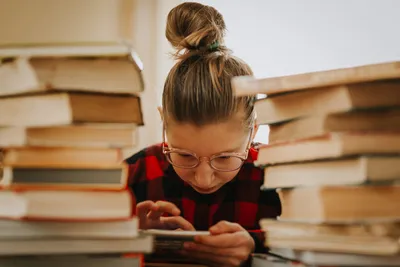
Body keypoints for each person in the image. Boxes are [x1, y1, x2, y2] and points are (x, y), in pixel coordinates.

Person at [126, 2, 281, 266]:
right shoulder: (136, 172)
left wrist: (256, 244)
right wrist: (124, 232)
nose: (204, 178)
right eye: (184, 155)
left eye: (224, 158)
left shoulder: (280, 179)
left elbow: (324, 243)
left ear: (253, 131)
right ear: (164, 123)